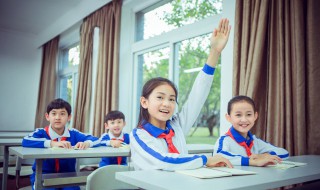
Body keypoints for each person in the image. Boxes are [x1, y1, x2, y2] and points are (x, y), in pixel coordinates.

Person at [130, 18, 233, 171]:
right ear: (144, 102)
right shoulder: (139, 136)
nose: (167, 104)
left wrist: (215, 52)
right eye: (160, 97)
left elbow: (198, 95)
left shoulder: (176, 126)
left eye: (172, 99)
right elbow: (163, 160)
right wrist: (205, 159)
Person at [22, 98, 99, 190]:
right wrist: (52, 143)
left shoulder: (73, 133)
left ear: (69, 117)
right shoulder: (41, 132)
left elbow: (96, 139)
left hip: (68, 175)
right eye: (54, 113)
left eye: (62, 114)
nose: (58, 117)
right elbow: (25, 140)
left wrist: (87, 143)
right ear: (47, 116)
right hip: (43, 175)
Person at [213, 95, 289, 166]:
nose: (244, 120)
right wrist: (251, 161)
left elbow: (284, 153)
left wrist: (265, 155)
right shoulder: (225, 140)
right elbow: (218, 156)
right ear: (228, 118)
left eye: (249, 114)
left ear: (255, 116)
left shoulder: (255, 141)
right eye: (238, 115)